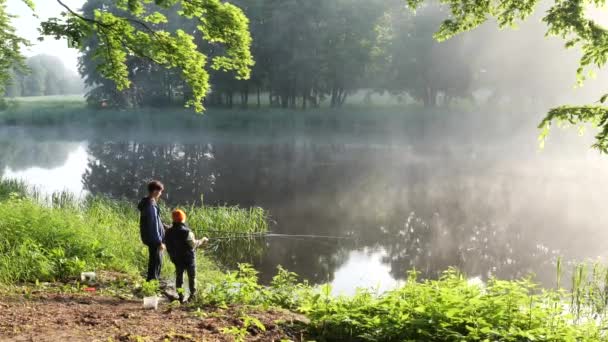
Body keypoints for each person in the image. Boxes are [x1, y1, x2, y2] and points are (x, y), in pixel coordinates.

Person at [164, 209, 208, 302]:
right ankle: (192, 296)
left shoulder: (168, 231)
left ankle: (180, 296)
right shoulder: (187, 232)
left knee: (179, 276)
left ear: (173, 218)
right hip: (188, 259)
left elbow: (169, 241)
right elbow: (194, 244)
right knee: (192, 277)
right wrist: (203, 240)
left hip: (176, 258)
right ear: (183, 218)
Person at [138, 180, 167, 282]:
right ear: (155, 191)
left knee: (154, 260)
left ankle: (151, 281)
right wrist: (159, 242)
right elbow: (153, 225)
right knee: (156, 261)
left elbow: (156, 221)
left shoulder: (148, 203)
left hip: (151, 238)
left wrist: (165, 227)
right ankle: (152, 283)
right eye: (160, 191)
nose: (160, 194)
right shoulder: (150, 205)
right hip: (154, 239)